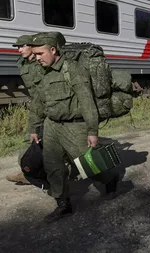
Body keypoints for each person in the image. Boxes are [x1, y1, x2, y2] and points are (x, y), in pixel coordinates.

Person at [28, 32, 119, 223]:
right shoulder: (42, 74)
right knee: (53, 167)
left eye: (40, 53)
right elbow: (37, 103)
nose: (37, 58)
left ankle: (111, 179)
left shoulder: (73, 69)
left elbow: (87, 102)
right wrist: (33, 128)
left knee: (90, 164)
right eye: (35, 54)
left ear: (53, 50)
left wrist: (92, 131)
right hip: (51, 126)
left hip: (74, 127)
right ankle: (63, 205)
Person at [5, 34, 44, 185]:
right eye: (17, 47)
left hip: (46, 106)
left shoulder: (41, 63)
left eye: (22, 46)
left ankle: (28, 172)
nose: (19, 50)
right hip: (37, 104)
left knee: (33, 138)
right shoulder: (23, 62)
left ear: (32, 46)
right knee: (34, 138)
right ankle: (28, 171)